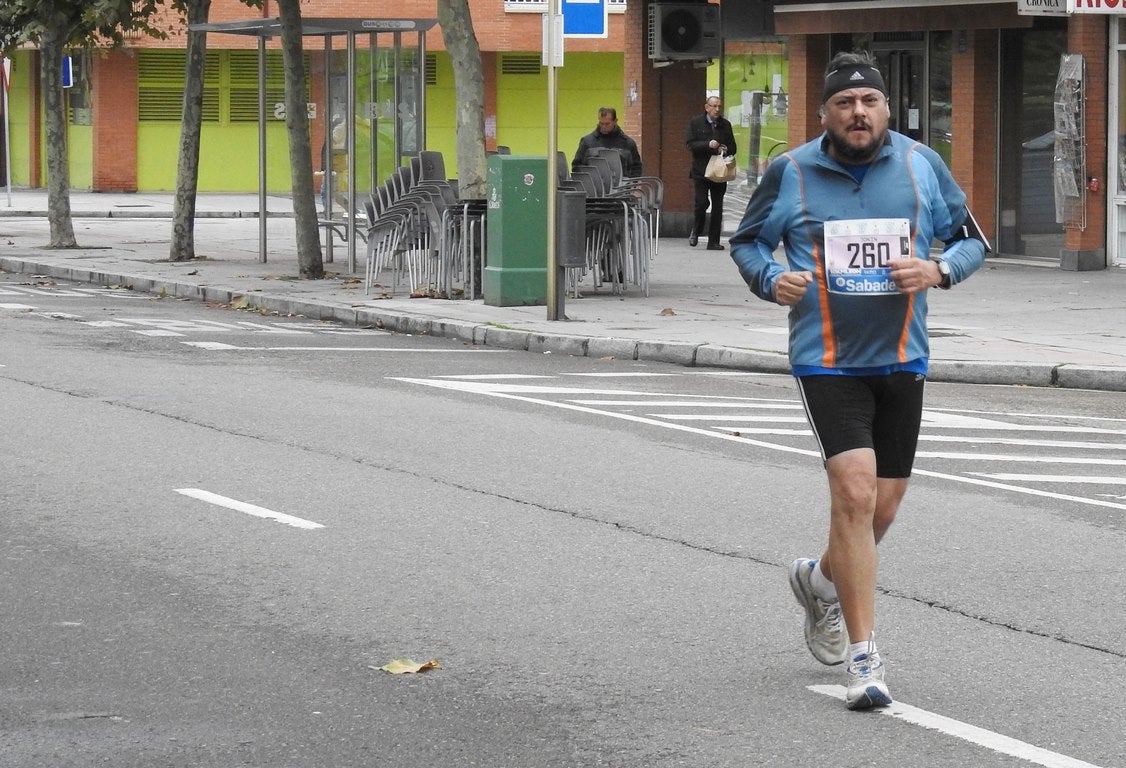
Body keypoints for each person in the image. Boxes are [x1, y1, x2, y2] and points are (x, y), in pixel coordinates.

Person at [728, 51, 988, 710]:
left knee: (884, 508)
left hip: (903, 356)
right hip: (827, 358)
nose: (858, 113)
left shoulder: (920, 164)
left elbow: (972, 239)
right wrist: (769, 278)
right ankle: (864, 660)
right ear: (824, 114)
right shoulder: (791, 172)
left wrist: (939, 272)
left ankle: (819, 581)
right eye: (844, 104)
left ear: (885, 109)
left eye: (868, 101)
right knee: (854, 491)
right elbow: (747, 242)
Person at [685, 96, 737, 250]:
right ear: (706, 107)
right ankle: (697, 229)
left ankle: (713, 241)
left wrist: (725, 148)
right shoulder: (696, 123)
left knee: (717, 206)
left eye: (719, 106)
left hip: (719, 172)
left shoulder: (725, 125)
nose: (717, 110)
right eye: (714, 106)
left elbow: (733, 147)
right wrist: (708, 145)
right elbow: (690, 144)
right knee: (701, 203)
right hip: (701, 170)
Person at [572, 107, 643, 178]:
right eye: (601, 123)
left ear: (615, 121)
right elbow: (576, 167)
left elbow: (637, 167)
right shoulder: (587, 142)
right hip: (594, 187)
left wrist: (630, 184)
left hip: (622, 187)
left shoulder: (628, 143)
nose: (603, 126)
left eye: (607, 124)